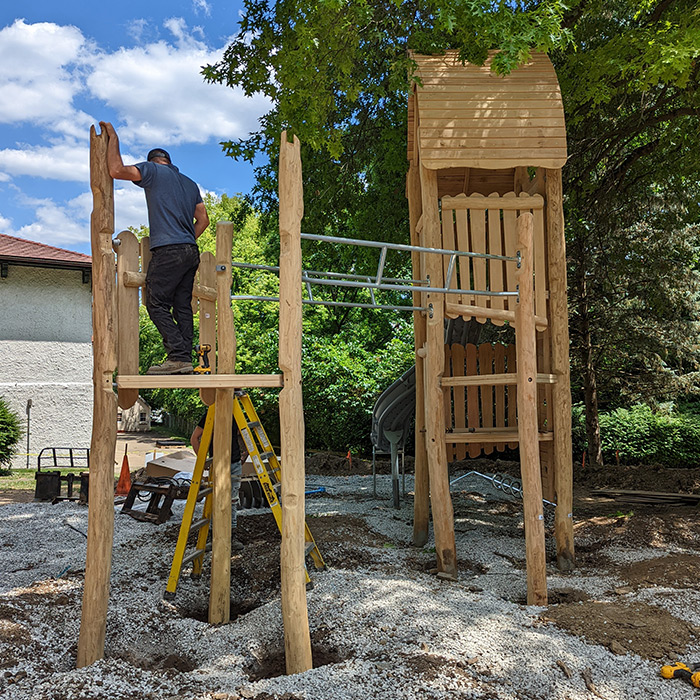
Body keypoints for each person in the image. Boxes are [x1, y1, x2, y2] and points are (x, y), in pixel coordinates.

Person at [99, 121, 210, 375]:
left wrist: (113, 137)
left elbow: (116, 170)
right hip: (190, 252)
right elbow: (203, 220)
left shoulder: (151, 170)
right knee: (182, 305)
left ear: (152, 161)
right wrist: (185, 237)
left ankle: (177, 354)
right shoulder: (190, 184)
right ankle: (183, 358)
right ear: (170, 162)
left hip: (169, 250)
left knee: (156, 302)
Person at [190, 412, 248, 552]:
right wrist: (203, 460)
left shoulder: (235, 414)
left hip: (233, 463)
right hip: (217, 463)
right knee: (216, 501)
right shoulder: (211, 413)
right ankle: (214, 537)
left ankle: (230, 537)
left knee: (232, 501)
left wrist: (244, 455)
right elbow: (194, 438)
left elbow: (246, 437)